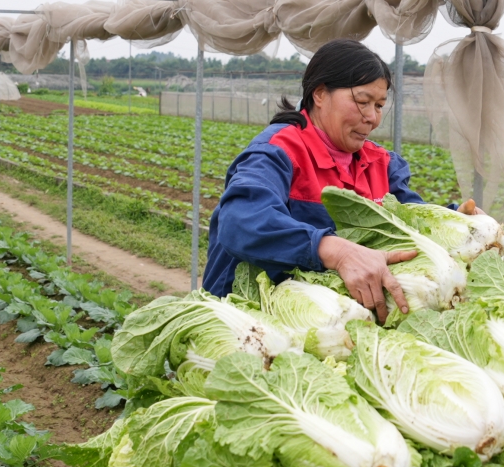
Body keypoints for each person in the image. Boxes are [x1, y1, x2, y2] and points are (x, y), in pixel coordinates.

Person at [203, 38, 478, 323]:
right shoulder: (278, 151)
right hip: (244, 319)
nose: (372, 117)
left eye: (380, 105)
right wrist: (337, 251)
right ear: (320, 94)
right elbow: (239, 221)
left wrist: (455, 221)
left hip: (327, 323)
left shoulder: (381, 164)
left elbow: (410, 221)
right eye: (362, 102)